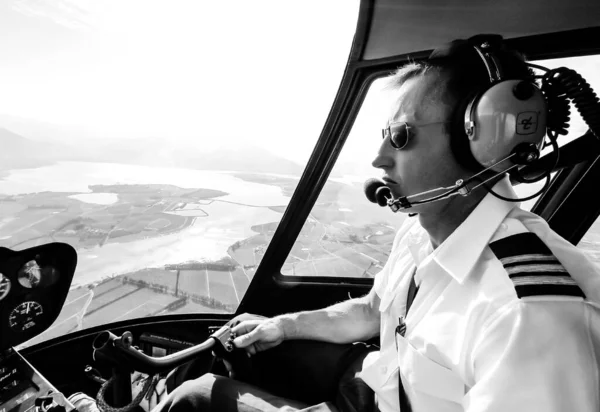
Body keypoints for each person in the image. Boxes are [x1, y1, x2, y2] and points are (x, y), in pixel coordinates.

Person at [154, 35, 600, 412]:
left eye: (402, 135)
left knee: (198, 399)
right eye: (384, 135)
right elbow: (371, 311)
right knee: (228, 354)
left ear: (482, 143)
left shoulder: (527, 315)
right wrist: (281, 326)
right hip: (382, 384)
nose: (379, 158)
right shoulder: (422, 229)